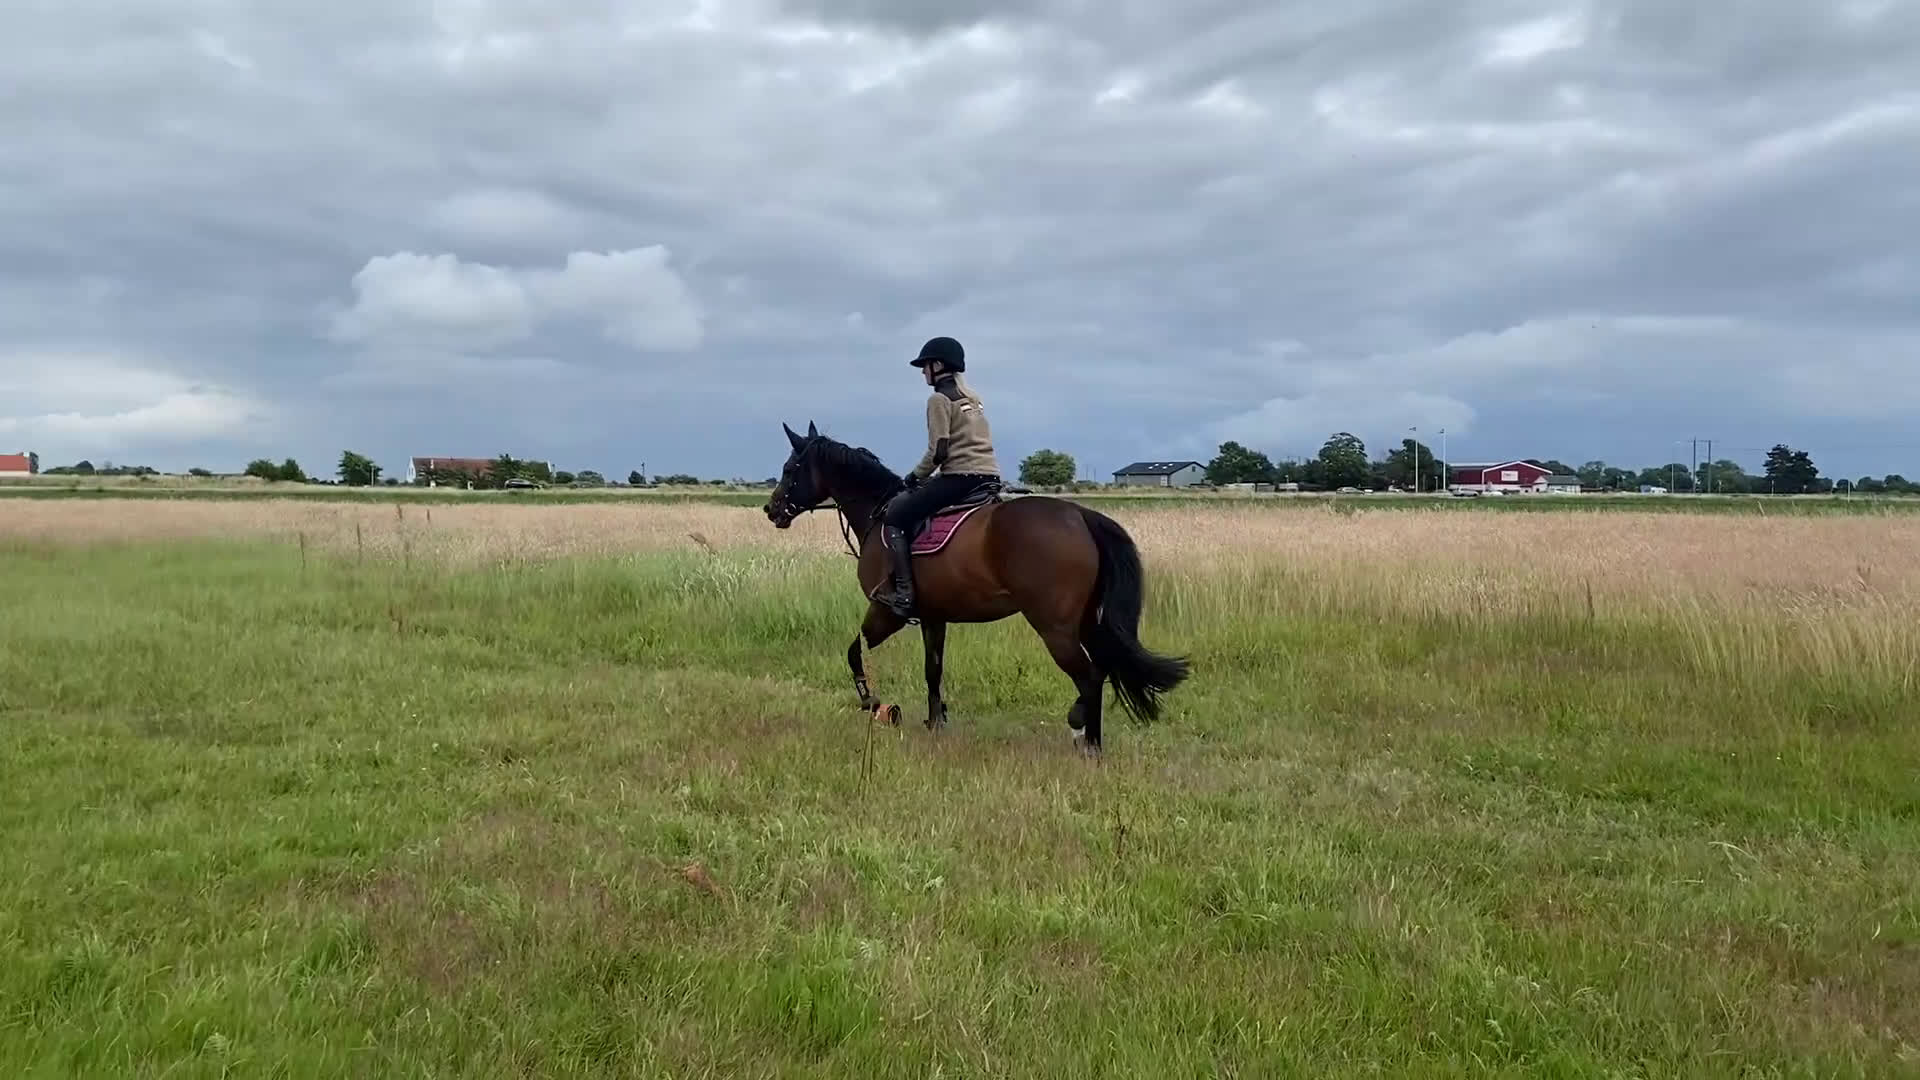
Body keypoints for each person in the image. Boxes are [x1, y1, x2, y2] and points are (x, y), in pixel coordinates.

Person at [871, 335, 1002, 617]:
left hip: (960, 477)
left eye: (925, 365)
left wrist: (914, 477)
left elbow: (938, 452)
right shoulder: (973, 398)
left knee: (895, 514)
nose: (922, 372)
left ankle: (904, 593)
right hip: (989, 475)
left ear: (939, 365)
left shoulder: (939, 400)